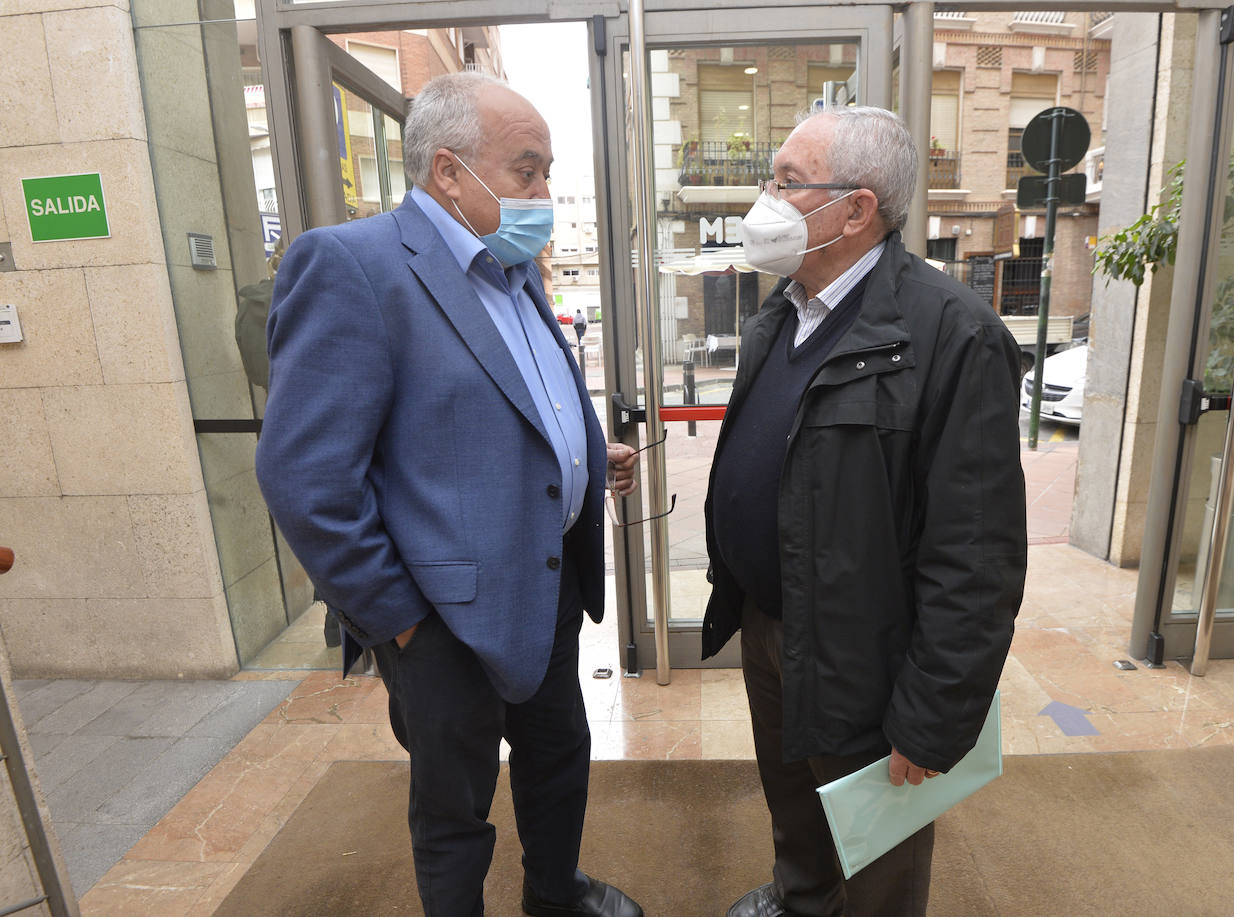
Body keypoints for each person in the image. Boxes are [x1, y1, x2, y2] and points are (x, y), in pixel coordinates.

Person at [255, 72, 644, 917]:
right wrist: (400, 618)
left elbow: (504, 406)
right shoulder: (352, 266)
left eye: (549, 173)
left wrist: (581, 451)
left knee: (559, 758)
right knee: (454, 808)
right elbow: (305, 478)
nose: (546, 194)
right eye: (528, 171)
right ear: (447, 171)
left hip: (546, 590)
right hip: (439, 619)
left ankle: (554, 894)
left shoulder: (516, 270)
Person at [703, 107, 1027, 917]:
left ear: (856, 208)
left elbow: (977, 554)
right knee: (796, 801)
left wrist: (931, 716)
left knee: (876, 843)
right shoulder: (782, 312)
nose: (766, 200)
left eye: (786, 181)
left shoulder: (953, 335)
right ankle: (802, 896)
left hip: (869, 655)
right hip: (774, 625)